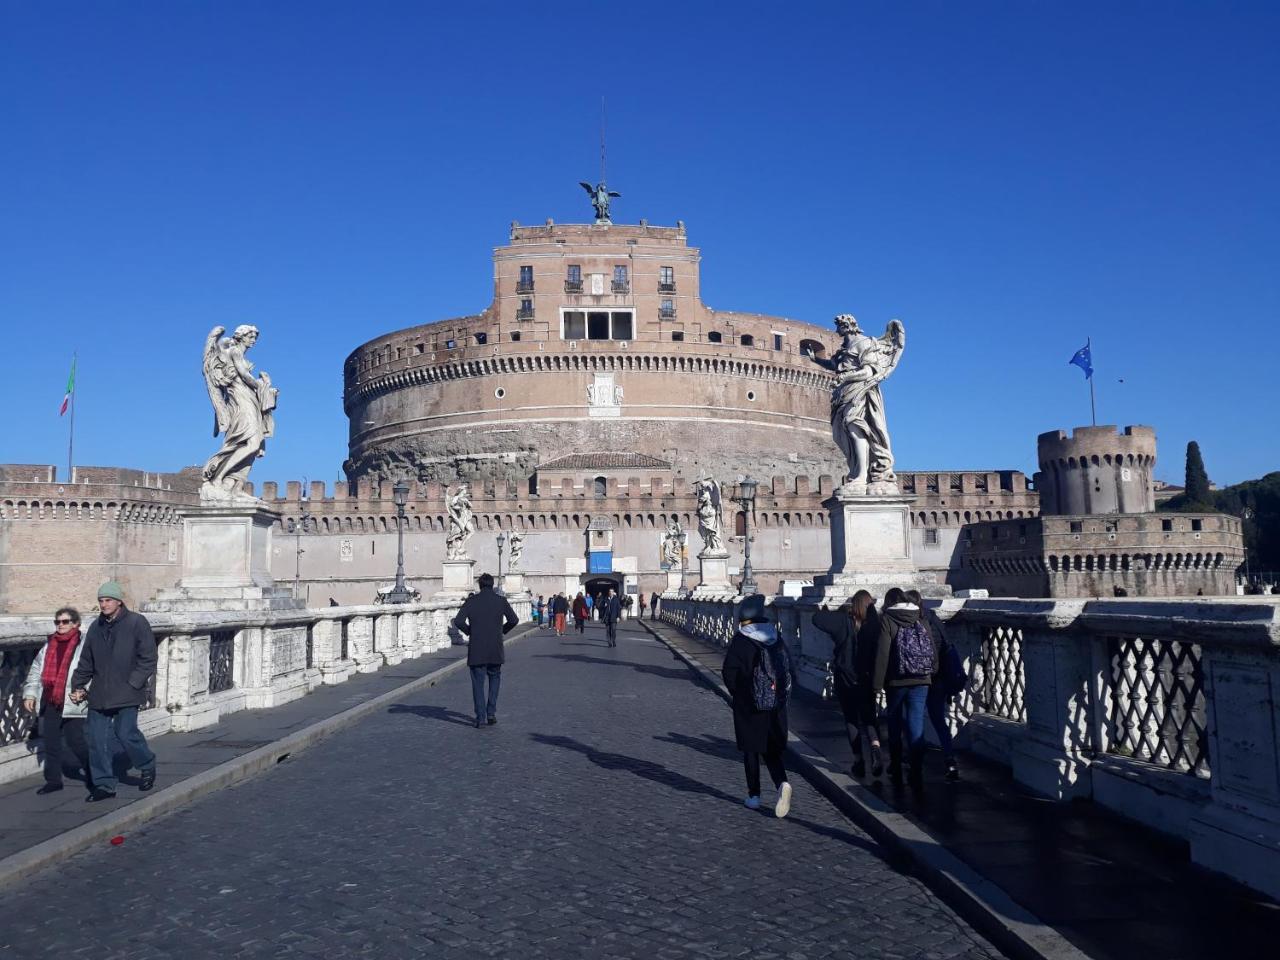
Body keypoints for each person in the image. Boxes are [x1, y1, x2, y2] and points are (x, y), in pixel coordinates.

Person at [69, 581, 158, 802]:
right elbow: (86, 660)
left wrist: (134, 683)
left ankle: (147, 765)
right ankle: (104, 785)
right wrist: (78, 685)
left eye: (108, 600)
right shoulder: (95, 627)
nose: (103, 604)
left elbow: (148, 658)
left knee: (126, 733)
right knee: (96, 739)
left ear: (119, 601)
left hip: (127, 691)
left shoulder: (137, 622)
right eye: (101, 600)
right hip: (99, 693)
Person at [721, 594, 794, 817]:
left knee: (751, 750)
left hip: (750, 704)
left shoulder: (742, 640)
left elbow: (728, 673)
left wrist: (740, 694)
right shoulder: (775, 637)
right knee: (772, 751)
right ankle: (782, 783)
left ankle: (754, 796)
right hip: (775, 704)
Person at [22, 607, 93, 795]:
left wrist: (84, 692)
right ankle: (53, 781)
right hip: (50, 698)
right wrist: (30, 694)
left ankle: (95, 774)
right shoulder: (49, 644)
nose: (60, 625)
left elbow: (93, 672)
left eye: (65, 621)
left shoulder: (85, 645)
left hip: (73, 700)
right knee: (51, 741)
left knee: (75, 740)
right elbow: (37, 669)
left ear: (76, 624)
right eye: (57, 622)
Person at [812, 590, 882, 779]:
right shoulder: (874, 624)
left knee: (851, 719)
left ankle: (859, 761)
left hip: (845, 677)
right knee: (869, 717)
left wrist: (828, 608)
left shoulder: (843, 621)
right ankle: (876, 749)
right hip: (867, 676)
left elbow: (817, 619)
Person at [873, 587, 938, 789]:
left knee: (895, 723)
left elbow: (883, 654)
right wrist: (930, 672)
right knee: (915, 724)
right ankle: (916, 768)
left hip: (896, 681)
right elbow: (932, 650)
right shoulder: (921, 617)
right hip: (921, 679)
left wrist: (877, 684)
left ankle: (895, 764)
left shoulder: (888, 620)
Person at [452, 572, 519, 728]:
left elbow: (458, 621)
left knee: (478, 684)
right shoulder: (500, 601)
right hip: (495, 648)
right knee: (494, 679)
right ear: (492, 584)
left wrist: (470, 631)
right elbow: (514, 620)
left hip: (477, 648)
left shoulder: (471, 601)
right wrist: (503, 630)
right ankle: (491, 713)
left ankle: (480, 717)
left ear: (480, 585)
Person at [906, 589, 960, 782]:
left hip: (918, 678)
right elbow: (947, 644)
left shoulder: (908, 622)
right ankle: (950, 759)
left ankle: (915, 762)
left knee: (914, 720)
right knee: (939, 721)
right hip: (938, 677)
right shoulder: (933, 618)